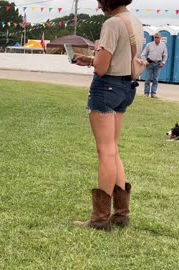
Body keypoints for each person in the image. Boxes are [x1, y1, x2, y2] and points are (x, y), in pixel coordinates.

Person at [72, 0, 143, 231]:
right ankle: (121, 214)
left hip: (106, 88)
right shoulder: (135, 21)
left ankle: (100, 219)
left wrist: (93, 59)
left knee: (105, 151)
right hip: (126, 88)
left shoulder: (112, 23)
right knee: (113, 149)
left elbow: (102, 68)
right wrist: (92, 59)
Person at [141, 32, 168, 98]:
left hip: (158, 64)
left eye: (157, 37)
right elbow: (143, 54)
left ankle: (153, 93)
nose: (156, 38)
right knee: (147, 79)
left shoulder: (163, 45)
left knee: (155, 79)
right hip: (149, 64)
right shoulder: (149, 45)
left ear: (160, 38)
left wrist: (163, 62)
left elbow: (165, 55)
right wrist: (145, 61)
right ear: (154, 38)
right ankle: (146, 93)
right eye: (155, 37)